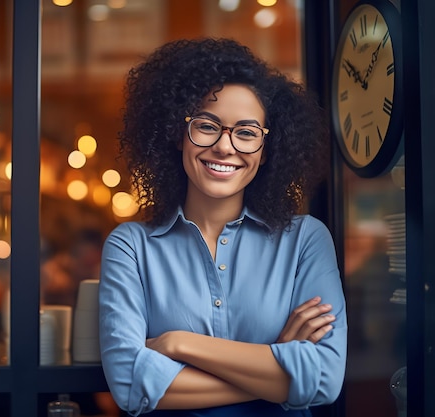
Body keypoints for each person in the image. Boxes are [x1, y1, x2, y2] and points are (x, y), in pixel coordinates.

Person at [98, 38, 347, 416]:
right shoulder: (131, 246)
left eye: (246, 133)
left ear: (266, 152)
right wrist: (276, 365)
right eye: (206, 126)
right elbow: (131, 386)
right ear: (177, 133)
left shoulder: (306, 240)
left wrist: (180, 344)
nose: (225, 147)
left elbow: (325, 378)